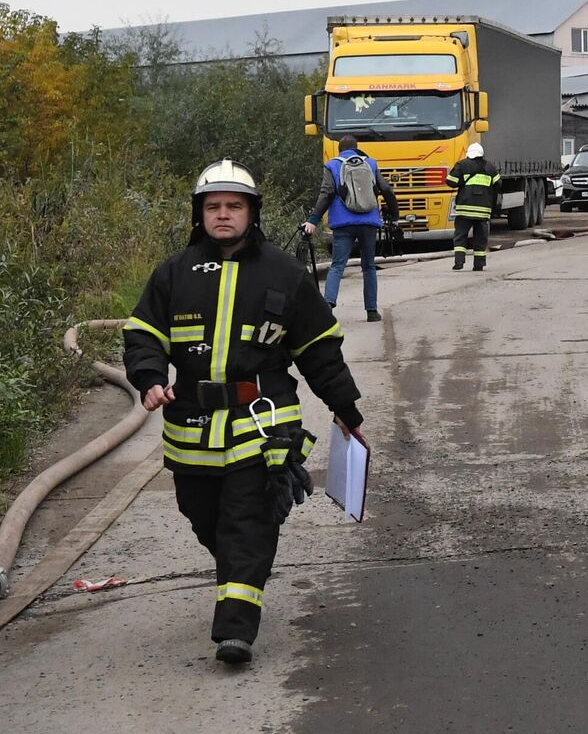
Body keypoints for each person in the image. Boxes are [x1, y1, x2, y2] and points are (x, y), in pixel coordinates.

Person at [124, 160, 365, 666]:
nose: (223, 215)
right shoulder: (174, 273)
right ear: (200, 214)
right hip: (191, 425)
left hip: (263, 420)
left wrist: (346, 411)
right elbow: (143, 334)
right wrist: (148, 379)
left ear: (252, 213)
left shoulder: (284, 273)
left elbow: (320, 350)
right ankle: (241, 569)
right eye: (214, 207)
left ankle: (236, 629)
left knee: (248, 518)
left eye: (234, 206)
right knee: (204, 515)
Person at [304, 136, 398, 323]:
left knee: (338, 265)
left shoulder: (333, 165)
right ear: (357, 148)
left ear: (340, 150)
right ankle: (372, 311)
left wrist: (313, 219)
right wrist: (394, 216)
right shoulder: (370, 163)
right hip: (368, 222)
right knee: (369, 266)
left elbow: (327, 192)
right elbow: (386, 188)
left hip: (343, 223)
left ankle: (328, 306)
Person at [446, 143, 499, 271]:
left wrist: (461, 182)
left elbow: (450, 181)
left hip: (465, 209)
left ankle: (459, 262)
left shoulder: (462, 165)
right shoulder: (490, 167)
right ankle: (479, 265)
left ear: (469, 154)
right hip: (483, 210)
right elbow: (498, 184)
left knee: (460, 236)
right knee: (480, 238)